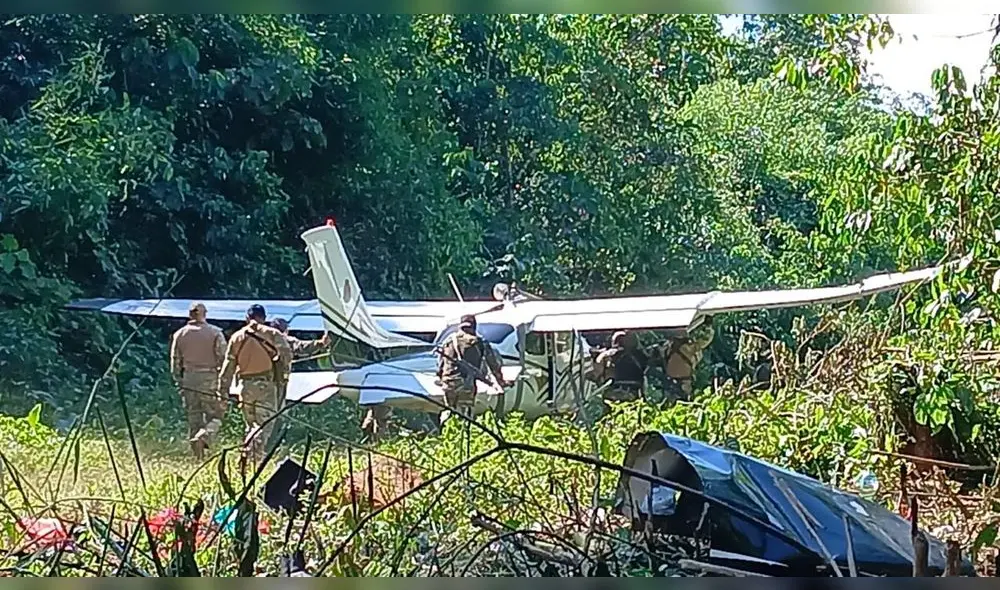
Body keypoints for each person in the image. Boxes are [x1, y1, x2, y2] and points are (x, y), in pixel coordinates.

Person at [217, 304, 292, 464]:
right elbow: (286, 353)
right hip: (266, 385)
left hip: (244, 386)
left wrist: (222, 390)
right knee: (264, 425)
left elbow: (228, 365)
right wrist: (284, 371)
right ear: (264, 318)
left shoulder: (237, 337)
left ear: (247, 318)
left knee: (251, 425)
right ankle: (254, 461)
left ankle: (247, 455)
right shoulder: (272, 334)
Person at [170, 302, 227, 460]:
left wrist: (179, 381)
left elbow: (175, 362)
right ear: (205, 314)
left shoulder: (179, 334)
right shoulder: (215, 333)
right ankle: (204, 436)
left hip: (189, 378)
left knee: (193, 417)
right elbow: (224, 358)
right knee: (215, 415)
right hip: (209, 378)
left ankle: (198, 456)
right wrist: (224, 382)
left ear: (189, 315)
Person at [435, 314, 509, 422]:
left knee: (450, 410)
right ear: (474, 326)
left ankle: (445, 431)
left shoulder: (449, 340)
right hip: (467, 383)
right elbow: (493, 364)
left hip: (448, 382)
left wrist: (441, 377)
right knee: (466, 413)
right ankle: (465, 434)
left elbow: (441, 362)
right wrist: (500, 381)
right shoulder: (479, 342)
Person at [660, 317, 714, 402]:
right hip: (678, 379)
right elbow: (705, 339)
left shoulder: (669, 347)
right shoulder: (688, 348)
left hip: (672, 379)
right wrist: (708, 326)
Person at [593, 330, 650, 403]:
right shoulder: (611, 356)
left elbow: (647, 371)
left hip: (634, 393)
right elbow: (598, 366)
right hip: (613, 393)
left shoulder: (641, 355)